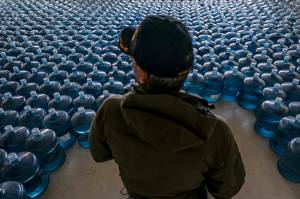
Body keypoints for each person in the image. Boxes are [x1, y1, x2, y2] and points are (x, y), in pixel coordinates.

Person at [89, 15, 245, 199]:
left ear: (140, 74)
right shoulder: (216, 132)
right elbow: (226, 189)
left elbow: (100, 154)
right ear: (187, 72)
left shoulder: (111, 111)